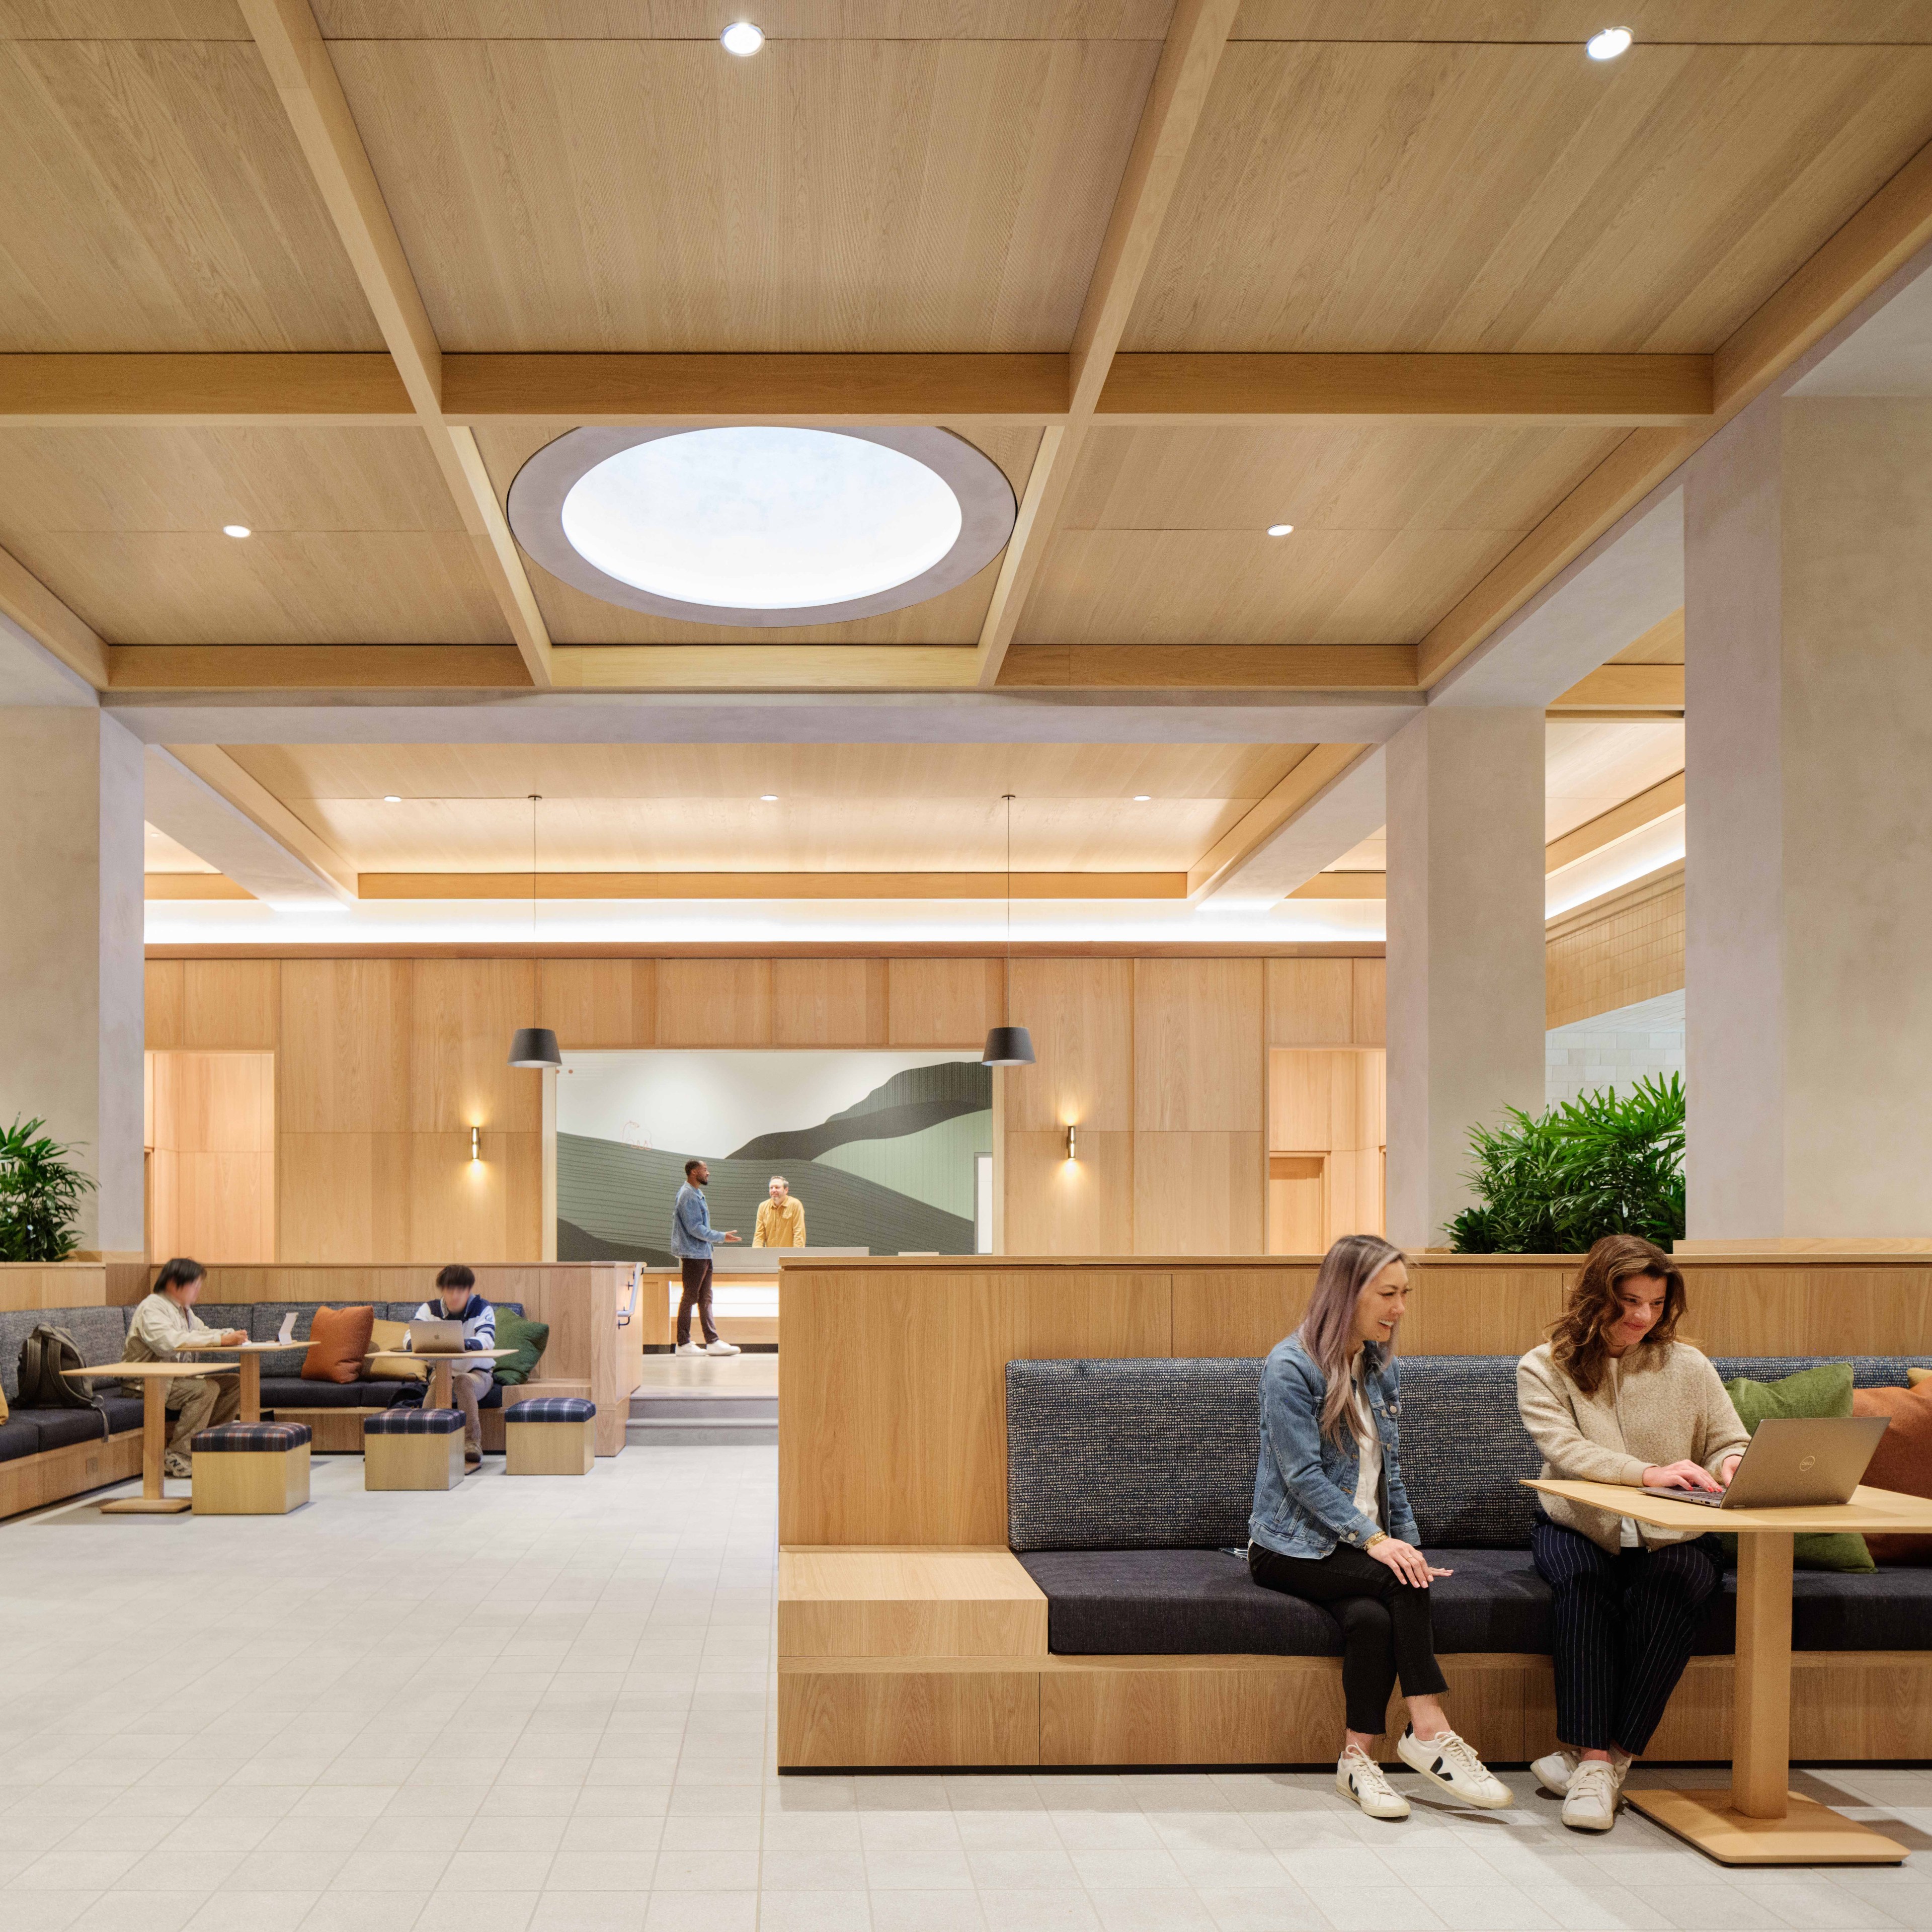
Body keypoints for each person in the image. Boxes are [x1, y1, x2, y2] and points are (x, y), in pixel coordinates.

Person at [1249, 1234, 1513, 1820]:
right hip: (1289, 1548)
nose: (1400, 1308)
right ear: (1348, 1294)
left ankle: (1356, 1762)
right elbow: (1302, 1477)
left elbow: (1390, 1476)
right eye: (1388, 1294)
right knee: (1402, 1583)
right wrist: (1377, 1544)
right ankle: (1428, 1728)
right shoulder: (1290, 1366)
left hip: (1357, 1549)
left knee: (1372, 1618)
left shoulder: (1377, 1367)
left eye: (1404, 1293)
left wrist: (1406, 1546)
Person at [1517, 1233, 1750, 1832]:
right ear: (1594, 1297)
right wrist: (1647, 1472)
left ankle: (1605, 1762)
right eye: (1627, 1302)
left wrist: (1731, 1463)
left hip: (1674, 1532)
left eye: (1654, 1303)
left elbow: (1729, 1438)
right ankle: (1593, 1757)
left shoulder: (1689, 1366)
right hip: (1579, 1524)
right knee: (1583, 1588)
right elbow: (1565, 1451)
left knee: (1675, 1589)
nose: (1641, 1317)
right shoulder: (1544, 1366)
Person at [123, 1257, 244, 1480]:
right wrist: (220, 1340)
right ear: (173, 1283)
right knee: (206, 1389)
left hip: (174, 1380)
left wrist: (229, 1335)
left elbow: (202, 1332)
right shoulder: (153, 1307)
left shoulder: (183, 1310)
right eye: (194, 1284)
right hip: (145, 1382)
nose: (198, 1290)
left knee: (234, 1383)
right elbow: (170, 1343)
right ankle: (179, 1455)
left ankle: (208, 1444)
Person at [411, 1263, 497, 1469]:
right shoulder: (429, 1309)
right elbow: (410, 1336)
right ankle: (423, 1441)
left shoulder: (482, 1307)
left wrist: (462, 1343)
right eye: (450, 1289)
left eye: (461, 1290)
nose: (455, 1295)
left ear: (469, 1290)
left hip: (478, 1373)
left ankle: (472, 1444)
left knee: (462, 1381)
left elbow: (487, 1339)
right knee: (442, 1383)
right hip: (441, 1373)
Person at [671, 1158, 741, 1358]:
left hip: (702, 1254)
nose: (708, 1173)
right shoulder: (688, 1196)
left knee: (705, 1298)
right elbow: (695, 1228)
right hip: (694, 1255)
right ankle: (683, 1344)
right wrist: (721, 1236)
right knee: (690, 1297)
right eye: (705, 1169)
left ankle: (712, 1341)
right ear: (694, 1172)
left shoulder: (696, 1194)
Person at [753, 1175, 807, 1248]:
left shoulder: (795, 1205)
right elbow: (759, 1235)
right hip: (769, 1256)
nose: (773, 1190)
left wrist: (796, 1258)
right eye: (771, 1188)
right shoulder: (763, 1207)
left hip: (789, 1256)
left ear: (786, 1190)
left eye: (777, 1187)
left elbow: (799, 1233)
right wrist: (757, 1255)